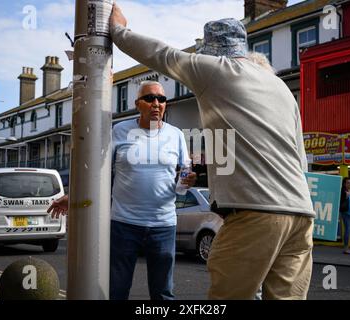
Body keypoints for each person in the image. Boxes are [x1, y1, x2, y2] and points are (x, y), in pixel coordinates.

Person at [110, 5, 315, 300]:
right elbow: (301, 157)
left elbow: (161, 55)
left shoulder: (216, 70)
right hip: (301, 216)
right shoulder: (280, 86)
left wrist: (119, 32)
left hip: (256, 214)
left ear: (212, 51)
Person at [48, 81, 197, 300]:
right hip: (124, 225)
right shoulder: (119, 131)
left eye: (161, 99)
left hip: (163, 225)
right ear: (138, 104)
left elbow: (183, 176)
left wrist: (187, 181)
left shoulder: (175, 135)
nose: (156, 103)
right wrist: (74, 196)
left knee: (163, 293)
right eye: (150, 98)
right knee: (117, 290)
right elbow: (99, 174)